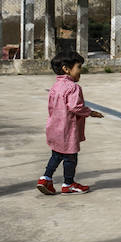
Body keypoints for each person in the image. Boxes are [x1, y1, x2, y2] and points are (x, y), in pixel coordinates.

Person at [39, 50, 104, 195]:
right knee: (70, 157)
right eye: (79, 67)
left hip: (54, 127)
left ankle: (45, 178)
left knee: (56, 155)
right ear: (66, 69)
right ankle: (68, 183)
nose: (81, 71)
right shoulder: (73, 87)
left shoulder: (55, 86)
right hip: (67, 130)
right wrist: (90, 112)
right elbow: (75, 107)